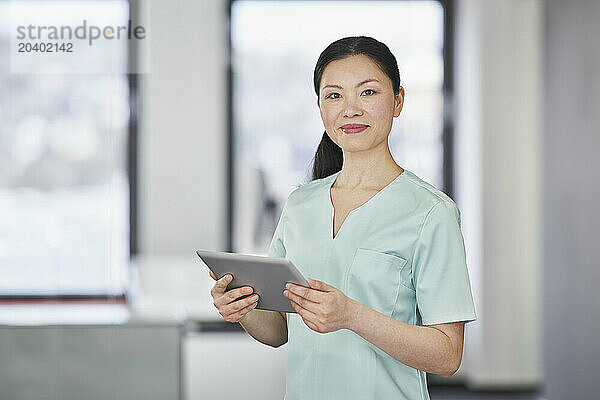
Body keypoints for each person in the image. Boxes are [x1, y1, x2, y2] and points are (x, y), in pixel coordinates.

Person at [209, 36, 477, 400]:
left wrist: (351, 315)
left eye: (367, 93)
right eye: (334, 95)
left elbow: (447, 355)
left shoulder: (431, 212)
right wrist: (241, 308)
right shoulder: (300, 205)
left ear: (398, 100)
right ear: (320, 106)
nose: (349, 110)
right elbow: (279, 331)